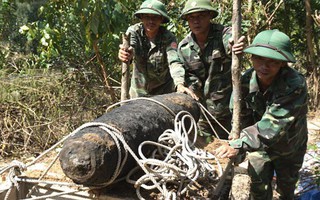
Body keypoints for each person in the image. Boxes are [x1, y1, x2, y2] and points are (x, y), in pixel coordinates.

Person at [214, 29, 308, 200]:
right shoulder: (245, 80)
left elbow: (274, 125)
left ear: (282, 63)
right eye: (259, 59)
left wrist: (239, 144)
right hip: (259, 145)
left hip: (289, 146)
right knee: (258, 188)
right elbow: (238, 114)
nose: (264, 67)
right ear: (252, 58)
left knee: (285, 191)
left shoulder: (294, 85)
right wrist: (237, 142)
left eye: (272, 62)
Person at [176, 0, 244, 139]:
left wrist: (234, 45)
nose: (196, 21)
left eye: (200, 16)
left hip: (229, 113)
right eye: (191, 17)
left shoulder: (223, 34)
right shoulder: (184, 47)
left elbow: (231, 42)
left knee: (233, 152)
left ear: (210, 16)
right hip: (201, 115)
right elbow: (186, 74)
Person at [118, 0, 196, 99]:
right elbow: (131, 48)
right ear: (141, 17)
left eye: (155, 17)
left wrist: (179, 83)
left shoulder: (168, 37)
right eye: (147, 17)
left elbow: (174, 61)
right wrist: (126, 54)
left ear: (161, 19)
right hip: (139, 92)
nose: (151, 21)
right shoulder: (134, 32)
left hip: (164, 93)